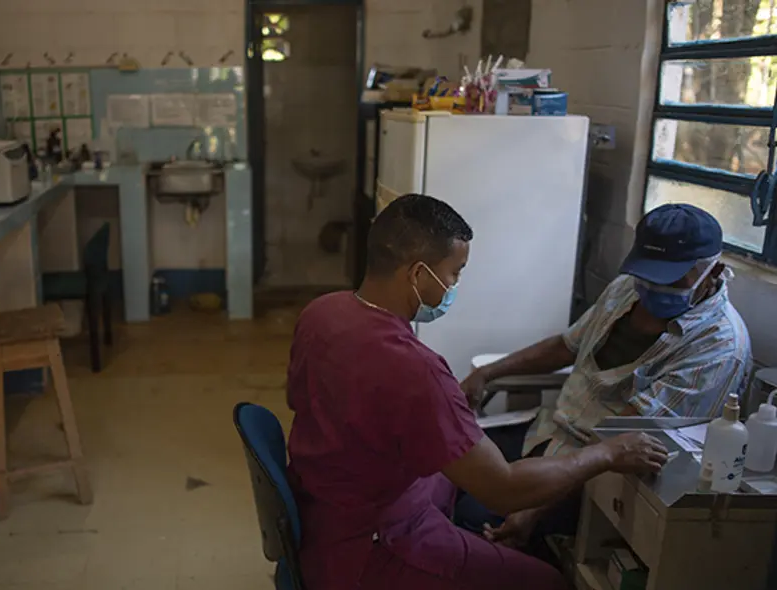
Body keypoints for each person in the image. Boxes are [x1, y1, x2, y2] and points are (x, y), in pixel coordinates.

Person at [285, 194, 668, 590]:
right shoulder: (416, 369)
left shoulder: (321, 313)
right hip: (371, 547)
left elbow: (313, 401)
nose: (454, 285)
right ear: (418, 274)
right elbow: (504, 490)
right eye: (455, 272)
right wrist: (608, 453)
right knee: (547, 582)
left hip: (323, 509)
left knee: (447, 480)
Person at [456, 203, 752, 549]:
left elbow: (626, 437)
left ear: (713, 271)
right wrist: (487, 373)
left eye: (670, 279)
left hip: (599, 474)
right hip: (549, 432)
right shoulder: (627, 289)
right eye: (647, 275)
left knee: (473, 517)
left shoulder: (717, 348)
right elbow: (567, 346)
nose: (653, 287)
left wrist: (532, 509)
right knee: (446, 469)